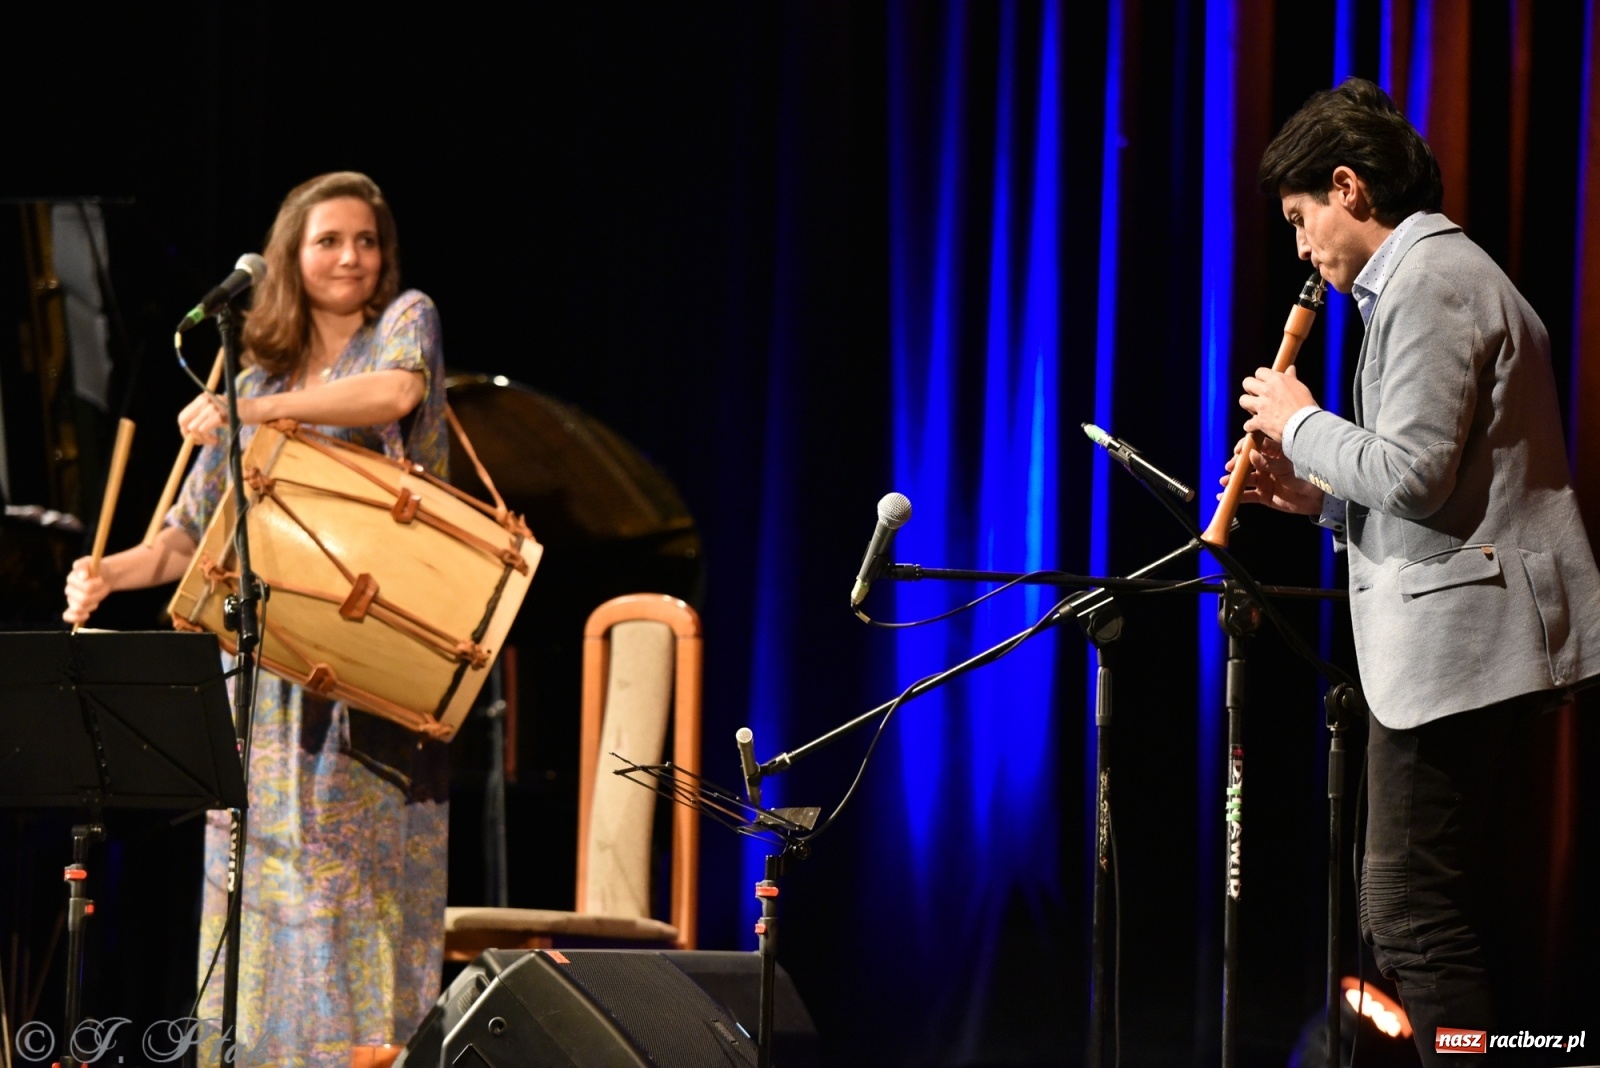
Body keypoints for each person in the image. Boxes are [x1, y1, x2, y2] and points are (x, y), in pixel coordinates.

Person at [1234, 79, 1600, 1063]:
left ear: (1348, 189)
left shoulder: (1431, 280)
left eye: (1302, 221)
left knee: (1408, 915)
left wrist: (1297, 421)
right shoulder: (1422, 282)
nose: (1303, 250)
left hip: (1457, 648)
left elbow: (1415, 472)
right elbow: (1436, 483)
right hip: (1456, 632)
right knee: (1415, 910)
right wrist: (1321, 501)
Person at [63, 171, 448, 1066]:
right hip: (264, 681)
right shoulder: (256, 366)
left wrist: (251, 411)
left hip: (367, 665)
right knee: (259, 898)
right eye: (328, 240)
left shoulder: (403, 320)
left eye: (366, 239)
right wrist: (108, 573)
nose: (351, 256)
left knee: (352, 898)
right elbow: (187, 538)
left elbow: (394, 394)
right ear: (289, 255)